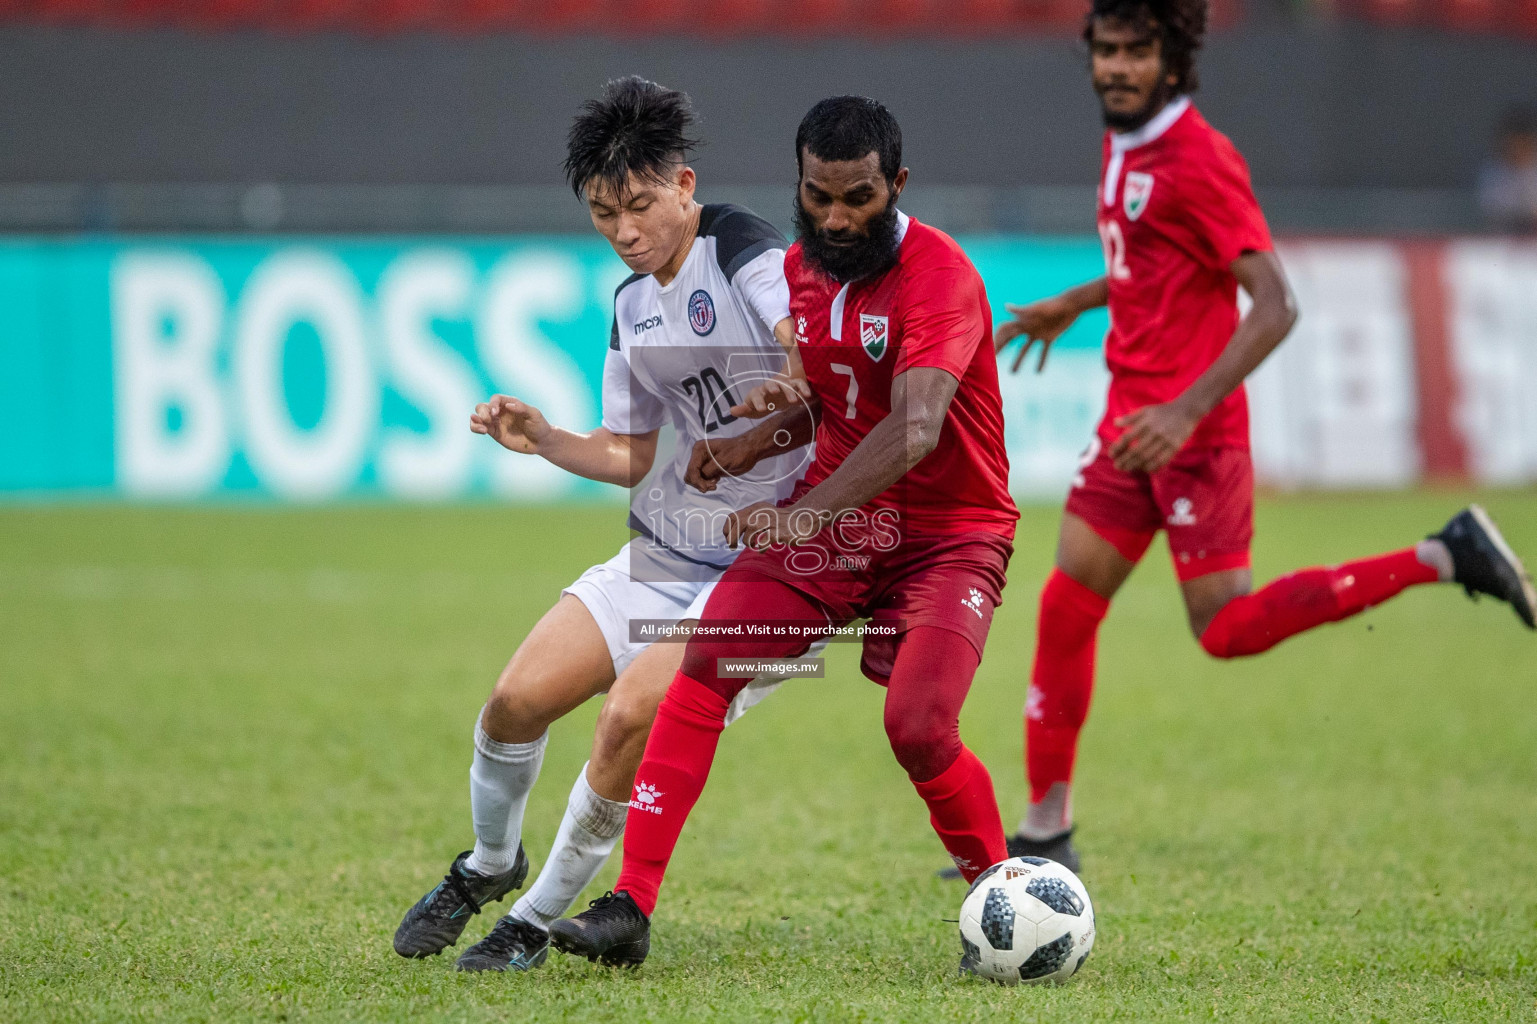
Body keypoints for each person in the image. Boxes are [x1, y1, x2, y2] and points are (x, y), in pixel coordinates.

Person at [986, 0, 1536, 876]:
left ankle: (1444, 554)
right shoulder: (1122, 138)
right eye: (1106, 51)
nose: (1117, 68)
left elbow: (1276, 301)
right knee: (1064, 606)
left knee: (1226, 630)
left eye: (1136, 53)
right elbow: (1153, 258)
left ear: (1173, 59)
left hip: (1193, 435)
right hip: (1133, 424)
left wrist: (1183, 412)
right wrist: (1078, 301)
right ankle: (1045, 831)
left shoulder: (1199, 157)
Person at [545, 95, 1022, 968]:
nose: (837, 219)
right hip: (838, 526)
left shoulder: (941, 275)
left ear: (897, 185)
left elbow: (913, 428)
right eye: (818, 198)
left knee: (917, 726)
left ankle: (1002, 900)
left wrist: (801, 513)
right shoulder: (799, 272)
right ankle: (628, 909)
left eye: (859, 199)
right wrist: (744, 443)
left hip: (949, 532)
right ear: (798, 188)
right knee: (704, 665)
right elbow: (823, 401)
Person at [391, 76, 815, 972]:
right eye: (601, 213)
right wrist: (544, 437)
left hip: (777, 573)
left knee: (628, 716)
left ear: (684, 187)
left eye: (640, 205)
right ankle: (487, 868)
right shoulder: (631, 305)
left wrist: (787, 375)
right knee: (513, 704)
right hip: (676, 549)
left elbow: (798, 335)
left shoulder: (742, 246)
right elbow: (627, 453)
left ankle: (536, 921)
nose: (624, 230)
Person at [1478, 105, 1537, 234]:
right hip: (1502, 241)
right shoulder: (1493, 174)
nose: (1517, 150)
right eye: (1512, 145)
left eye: (1522, 144)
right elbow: (1493, 212)